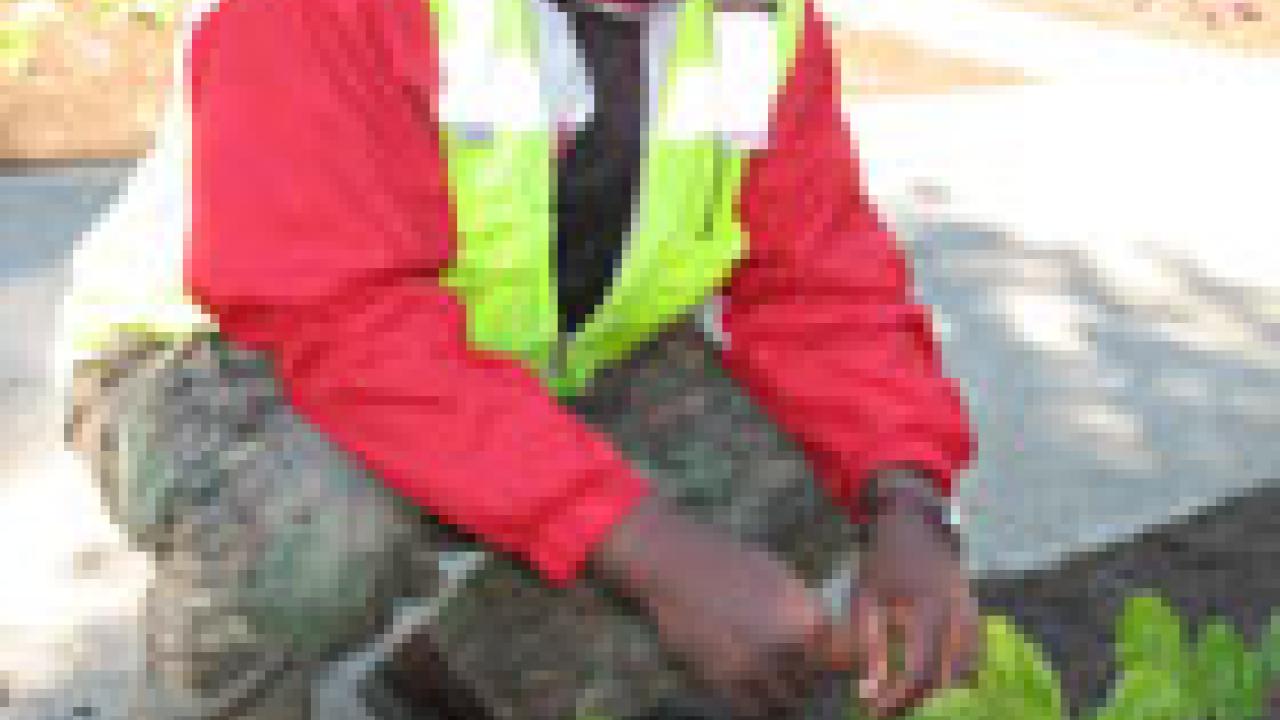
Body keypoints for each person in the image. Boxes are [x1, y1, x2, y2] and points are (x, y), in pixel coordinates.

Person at [56, 0, 981, 718]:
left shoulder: (754, 22)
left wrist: (907, 502)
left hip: (513, 370)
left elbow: (818, 272)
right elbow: (333, 313)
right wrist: (648, 546)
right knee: (314, 529)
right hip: (218, 364)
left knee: (819, 455)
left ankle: (462, 695)